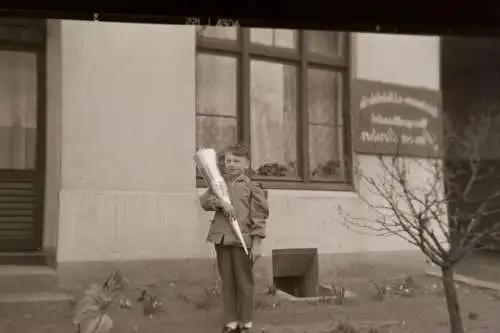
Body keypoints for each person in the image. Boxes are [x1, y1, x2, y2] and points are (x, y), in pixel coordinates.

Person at [200, 144, 270, 333]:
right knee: (227, 282)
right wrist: (221, 203)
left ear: (246, 164)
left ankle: (245, 322)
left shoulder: (252, 187)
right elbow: (204, 202)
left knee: (244, 283)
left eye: (236, 161)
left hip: (242, 242)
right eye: (228, 160)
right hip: (222, 240)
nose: (230, 164)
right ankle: (230, 322)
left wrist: (257, 243)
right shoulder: (218, 183)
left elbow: (259, 216)